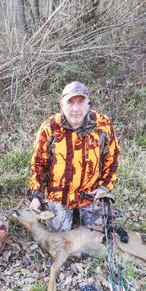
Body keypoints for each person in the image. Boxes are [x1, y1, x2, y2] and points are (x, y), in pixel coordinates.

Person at [28, 81, 120, 232]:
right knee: (57, 237)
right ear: (61, 105)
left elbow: (113, 156)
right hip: (59, 195)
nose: (75, 109)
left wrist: (104, 187)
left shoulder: (103, 125)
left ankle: (81, 213)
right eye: (70, 103)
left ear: (88, 104)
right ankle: (68, 213)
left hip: (90, 193)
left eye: (81, 102)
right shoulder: (49, 128)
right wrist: (37, 196)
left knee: (98, 235)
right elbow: (38, 164)